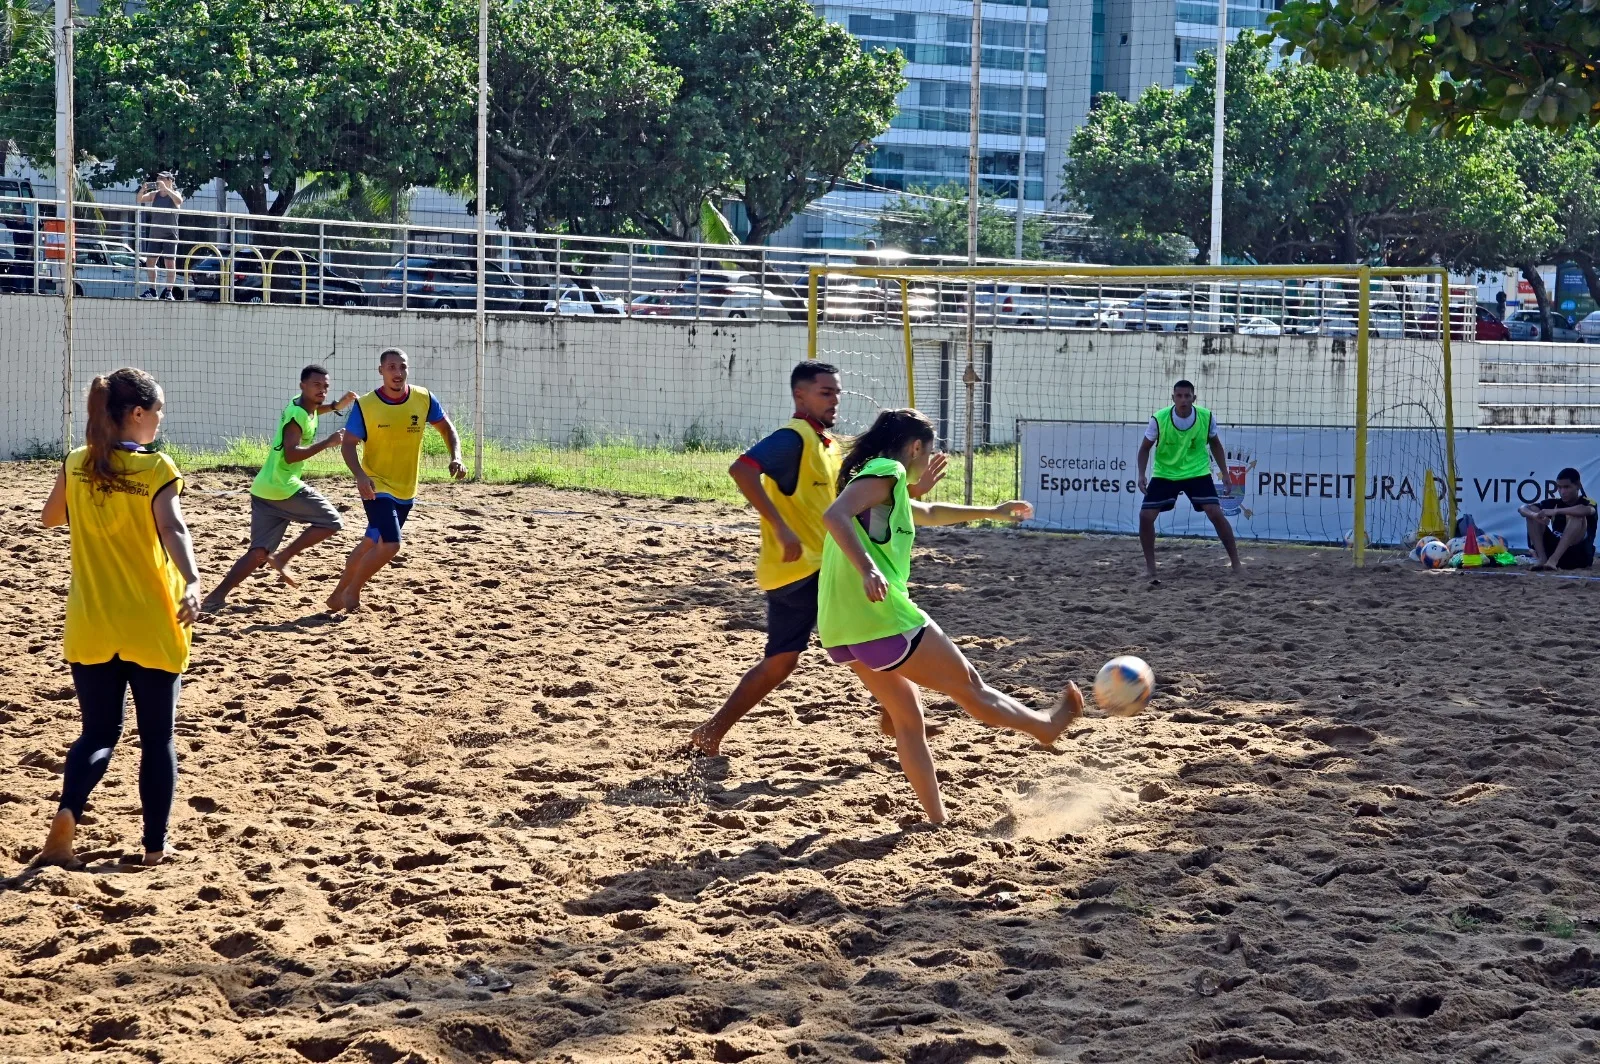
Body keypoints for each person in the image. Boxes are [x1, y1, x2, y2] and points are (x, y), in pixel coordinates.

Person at [818, 408, 1082, 825]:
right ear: (916, 447)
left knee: (908, 719)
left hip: (840, 624)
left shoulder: (881, 476)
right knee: (970, 688)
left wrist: (993, 512)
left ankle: (937, 821)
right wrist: (868, 568)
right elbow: (834, 515)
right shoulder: (888, 470)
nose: (931, 459)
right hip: (880, 615)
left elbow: (926, 513)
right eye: (930, 450)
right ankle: (1044, 726)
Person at [688, 361, 947, 756]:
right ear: (800, 395)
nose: (835, 400)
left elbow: (867, 503)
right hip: (803, 568)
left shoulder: (826, 444)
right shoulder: (792, 439)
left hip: (819, 566)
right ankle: (897, 716)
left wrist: (916, 488)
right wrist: (779, 526)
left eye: (837, 392)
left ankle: (895, 714)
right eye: (826, 392)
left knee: (800, 656)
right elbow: (741, 469)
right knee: (857, 636)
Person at [33, 368, 202, 868]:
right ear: (136, 414)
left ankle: (67, 815)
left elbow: (49, 517)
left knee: (99, 734)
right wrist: (192, 581)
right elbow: (174, 528)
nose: (160, 419)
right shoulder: (156, 469)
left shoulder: (77, 462)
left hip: (92, 622)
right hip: (151, 620)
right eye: (158, 411)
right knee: (157, 739)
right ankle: (154, 848)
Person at [201, 365, 358, 612]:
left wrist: (338, 405)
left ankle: (215, 597)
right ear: (302, 385)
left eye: (325, 386)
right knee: (332, 522)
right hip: (283, 488)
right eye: (317, 385)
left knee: (258, 551)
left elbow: (317, 410)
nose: (322, 390)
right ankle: (284, 557)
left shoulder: (302, 404)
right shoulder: (297, 416)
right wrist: (328, 442)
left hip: (264, 488)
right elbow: (292, 454)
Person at [325, 348, 465, 612]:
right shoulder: (366, 405)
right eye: (391, 367)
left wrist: (456, 456)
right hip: (375, 485)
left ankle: (336, 594)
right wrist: (360, 476)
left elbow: (447, 428)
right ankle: (352, 593)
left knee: (370, 543)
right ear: (381, 371)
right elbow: (349, 444)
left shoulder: (423, 398)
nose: (398, 373)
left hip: (406, 487)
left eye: (402, 367)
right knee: (391, 544)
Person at [1135, 379, 1242, 582]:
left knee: (1215, 513)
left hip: (1197, 472)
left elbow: (1216, 445)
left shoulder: (1205, 416)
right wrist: (1141, 474)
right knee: (1145, 516)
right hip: (1166, 472)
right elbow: (1144, 449)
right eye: (1179, 396)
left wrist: (1225, 474)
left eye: (1187, 396)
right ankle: (1151, 568)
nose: (1183, 400)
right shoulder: (1159, 418)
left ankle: (1236, 564)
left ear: (1194, 397)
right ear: (1173, 397)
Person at [1520, 467, 1596, 571]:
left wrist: (1556, 511)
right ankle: (1542, 559)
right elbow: (1523, 508)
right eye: (1559, 487)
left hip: (1578, 555)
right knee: (1533, 512)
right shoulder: (1555, 502)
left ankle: (1553, 561)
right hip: (1553, 551)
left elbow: (1587, 510)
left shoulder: (1587, 502)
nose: (1562, 491)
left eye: (1566, 487)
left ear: (1578, 485)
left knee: (1576, 516)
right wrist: (1535, 515)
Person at [137, 172, 184, 300]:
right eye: (158, 178)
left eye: (161, 178)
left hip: (170, 235)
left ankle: (169, 291)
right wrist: (143, 189)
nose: (158, 181)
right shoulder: (154, 195)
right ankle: (152, 290)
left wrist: (167, 189)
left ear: (170, 180)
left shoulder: (175, 193)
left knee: (170, 263)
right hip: (155, 234)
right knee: (150, 262)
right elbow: (139, 199)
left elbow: (179, 201)